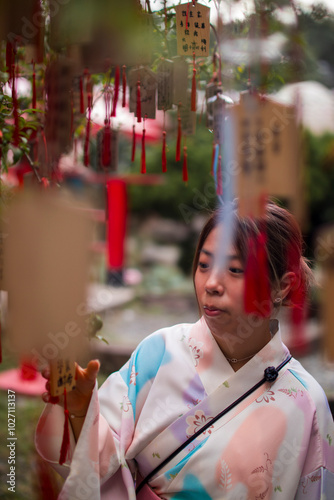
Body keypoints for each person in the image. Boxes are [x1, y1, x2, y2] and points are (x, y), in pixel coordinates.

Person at [36, 200, 334, 500]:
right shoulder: (158, 352)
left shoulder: (307, 404)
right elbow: (100, 462)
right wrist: (78, 411)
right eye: (204, 265)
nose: (212, 283)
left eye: (234, 269)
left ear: (282, 286)